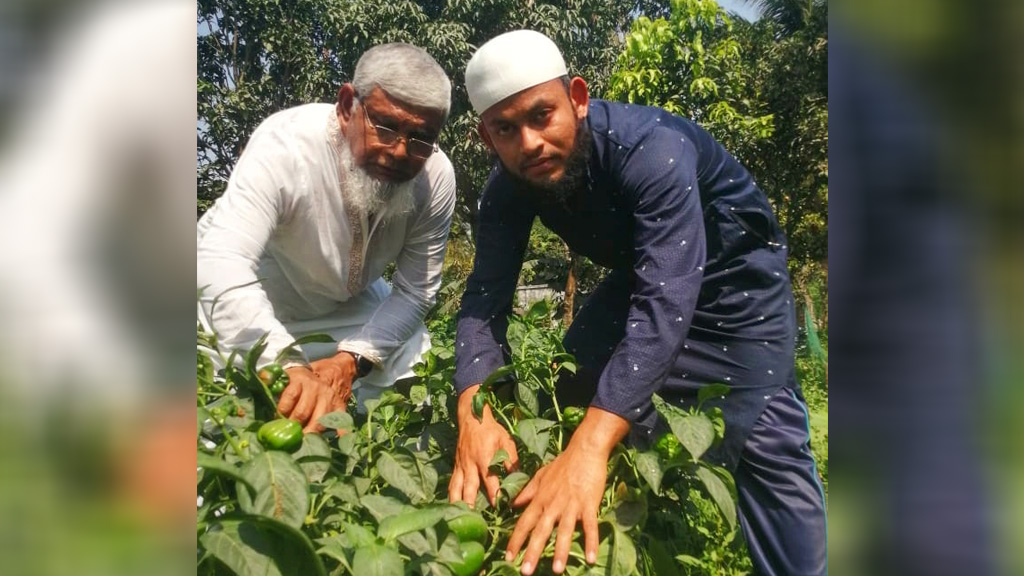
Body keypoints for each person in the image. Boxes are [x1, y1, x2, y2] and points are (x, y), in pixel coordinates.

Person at [448, 30, 826, 576]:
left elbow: (666, 301)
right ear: (487, 139)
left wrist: (591, 446)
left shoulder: (651, 147)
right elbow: (484, 298)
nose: (528, 142)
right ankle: (613, 529)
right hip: (646, 276)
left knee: (762, 432)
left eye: (541, 115)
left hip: (735, 286)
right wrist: (472, 406)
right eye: (506, 129)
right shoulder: (507, 187)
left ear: (577, 98)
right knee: (569, 381)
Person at [197, 43, 457, 432]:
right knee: (224, 422)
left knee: (412, 361)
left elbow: (415, 293)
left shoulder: (435, 177)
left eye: (421, 137)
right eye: (385, 127)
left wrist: (350, 361)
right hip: (260, 298)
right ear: (347, 105)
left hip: (349, 307)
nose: (400, 151)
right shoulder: (286, 146)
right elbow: (221, 259)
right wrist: (284, 361)